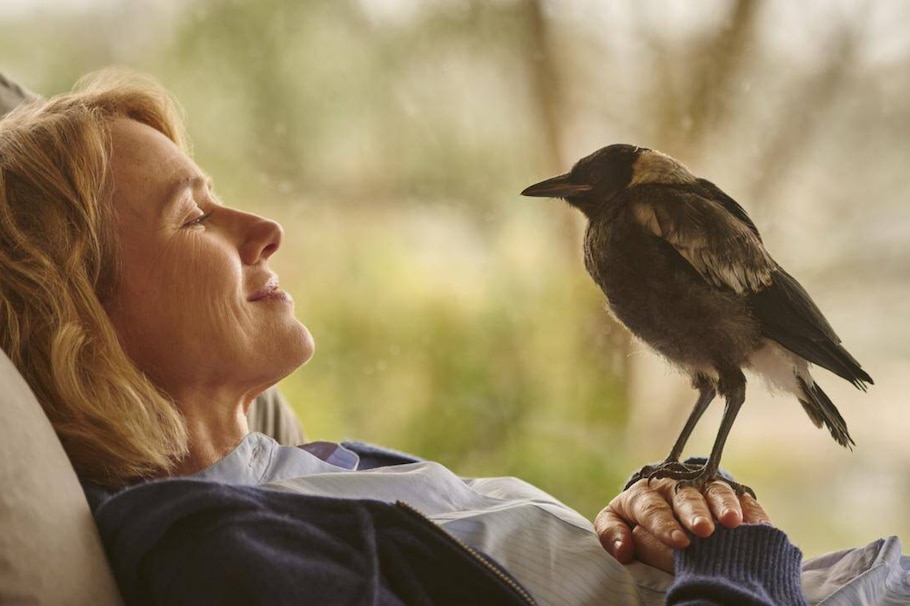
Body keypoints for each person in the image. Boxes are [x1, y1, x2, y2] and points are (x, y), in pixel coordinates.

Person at [0, 69, 905, 606]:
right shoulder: (218, 542)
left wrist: (636, 534)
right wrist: (738, 556)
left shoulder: (316, 469)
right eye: (193, 216)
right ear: (82, 316)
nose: (264, 225)